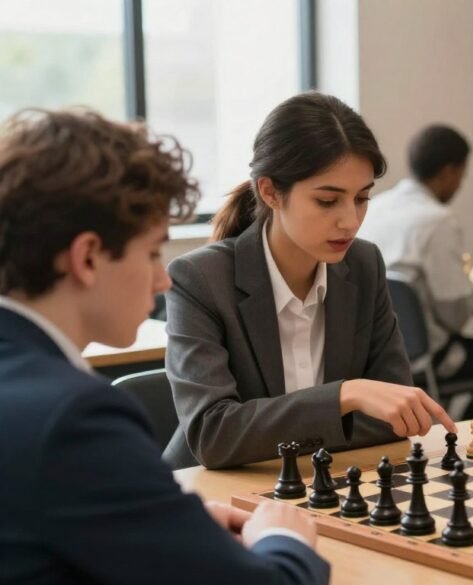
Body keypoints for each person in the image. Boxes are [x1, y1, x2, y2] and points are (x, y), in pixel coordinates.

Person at [0, 109, 328, 584]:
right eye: (153, 251)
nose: (162, 278)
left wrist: (167, 530)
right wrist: (285, 538)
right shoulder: (75, 417)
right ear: (88, 257)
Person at [164, 93, 456, 469]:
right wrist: (344, 397)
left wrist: (265, 429)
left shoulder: (364, 265)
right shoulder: (200, 280)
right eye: (327, 201)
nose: (350, 221)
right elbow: (214, 435)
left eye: (362, 198)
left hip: (321, 485)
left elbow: (395, 417)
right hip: (213, 496)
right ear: (270, 191)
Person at [358, 124, 473, 422]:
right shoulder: (437, 220)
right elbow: (454, 309)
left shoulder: (375, 207)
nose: (459, 185)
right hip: (426, 358)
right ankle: (470, 443)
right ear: (448, 172)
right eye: (461, 175)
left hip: (374, 350)